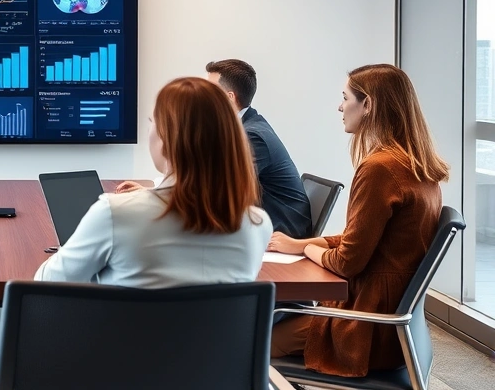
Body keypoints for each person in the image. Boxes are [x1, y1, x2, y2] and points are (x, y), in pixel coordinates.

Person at [269, 64, 448, 377]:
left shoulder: (380, 168)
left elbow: (348, 261)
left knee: (252, 338)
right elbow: (360, 237)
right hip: (391, 324)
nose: (340, 106)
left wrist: (307, 251)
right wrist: (301, 243)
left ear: (368, 105)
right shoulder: (415, 164)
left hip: (365, 328)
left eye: (345, 97)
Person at [35, 77, 273, 287]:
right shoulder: (258, 225)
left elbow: (46, 284)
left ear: (165, 136)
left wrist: (75, 253)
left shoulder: (115, 214)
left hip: (121, 339)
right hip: (221, 340)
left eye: (152, 121)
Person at [206, 59, 313, 238]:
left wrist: (157, 198)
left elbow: (219, 189)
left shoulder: (253, 135)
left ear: (229, 97)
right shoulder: (246, 127)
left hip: (283, 234)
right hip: (261, 226)